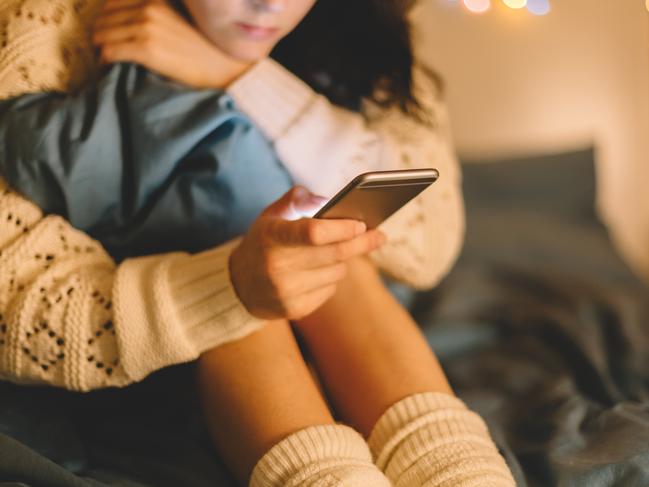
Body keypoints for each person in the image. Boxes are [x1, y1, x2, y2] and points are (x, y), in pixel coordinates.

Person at [0, 0, 515, 485]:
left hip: (343, 307)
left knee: (329, 248)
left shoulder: (365, 21)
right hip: (152, 328)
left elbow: (429, 243)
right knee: (250, 263)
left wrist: (240, 76)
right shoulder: (50, 24)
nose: (269, 6)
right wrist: (228, 284)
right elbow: (16, 298)